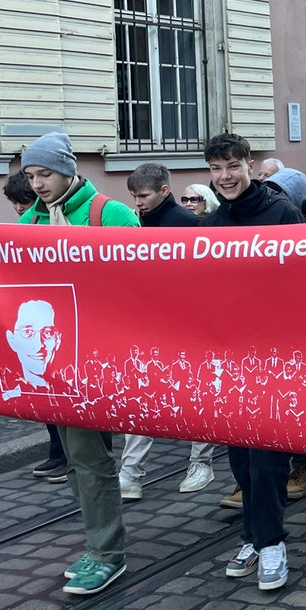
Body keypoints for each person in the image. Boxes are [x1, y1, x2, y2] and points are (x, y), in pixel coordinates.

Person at [0, 131, 140, 596]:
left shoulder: (109, 213)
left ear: (70, 170)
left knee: (89, 456)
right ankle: (100, 542)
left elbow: (141, 282)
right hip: (53, 366)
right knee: (77, 459)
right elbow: (3, 285)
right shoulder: (30, 222)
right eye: (31, 175)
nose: (37, 184)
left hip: (98, 360)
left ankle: (106, 554)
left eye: (46, 174)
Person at [201, 132, 306, 591]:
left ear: (249, 165)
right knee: (240, 458)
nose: (224, 177)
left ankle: (271, 543)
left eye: (232, 166)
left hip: (273, 359)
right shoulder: (215, 220)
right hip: (230, 358)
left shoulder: (281, 212)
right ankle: (252, 534)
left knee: (266, 458)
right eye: (216, 169)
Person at [115, 163, 216, 499]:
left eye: (143, 196)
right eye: (133, 196)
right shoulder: (132, 222)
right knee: (141, 399)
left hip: (188, 326)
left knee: (195, 396)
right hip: (147, 325)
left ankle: (200, 462)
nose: (138, 202)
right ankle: (130, 474)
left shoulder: (190, 223)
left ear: (163, 191)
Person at [2, 171, 70, 483]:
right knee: (45, 398)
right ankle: (59, 453)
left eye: (23, 203)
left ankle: (67, 456)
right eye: (14, 204)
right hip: (38, 315)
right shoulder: (26, 224)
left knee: (62, 394)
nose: (19, 209)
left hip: (61, 321)